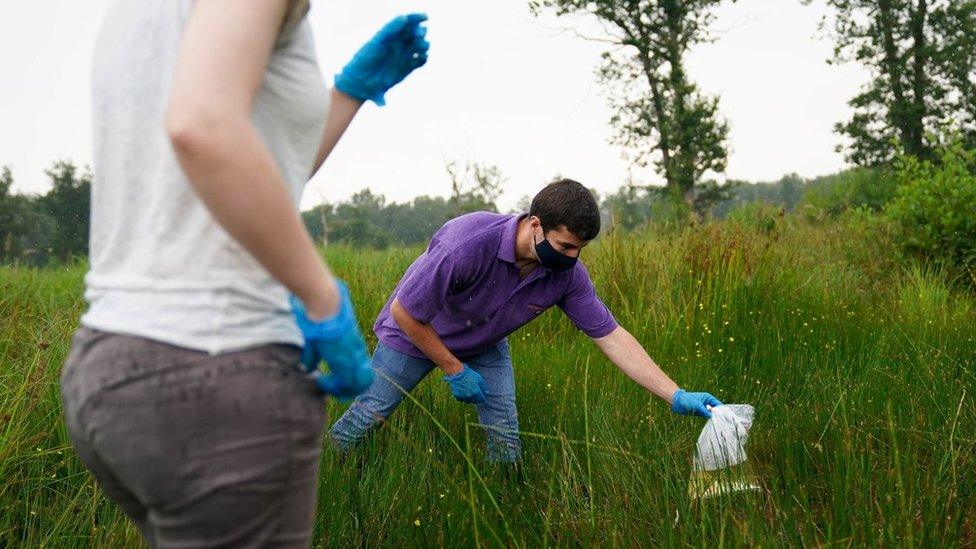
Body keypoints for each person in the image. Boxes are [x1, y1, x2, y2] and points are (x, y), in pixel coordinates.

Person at [59, 1, 428, 546]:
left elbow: (246, 168)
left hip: (111, 364)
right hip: (219, 370)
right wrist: (322, 296)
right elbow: (203, 128)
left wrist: (348, 93)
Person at [330, 179, 722, 462]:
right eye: (565, 246)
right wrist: (452, 368)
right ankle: (332, 470)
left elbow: (612, 337)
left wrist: (675, 394)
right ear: (535, 224)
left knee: (505, 438)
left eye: (580, 249)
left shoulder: (566, 275)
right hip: (415, 335)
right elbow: (405, 313)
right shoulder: (465, 244)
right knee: (370, 413)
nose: (572, 258)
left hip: (484, 343)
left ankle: (500, 496)